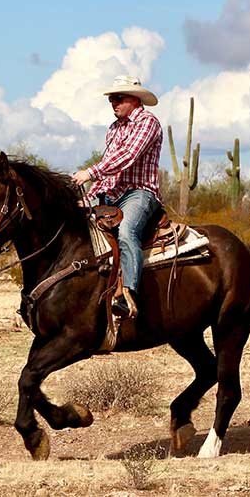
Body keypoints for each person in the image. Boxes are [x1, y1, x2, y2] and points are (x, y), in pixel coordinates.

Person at [72, 75, 163, 318]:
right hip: (111, 194)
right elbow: (109, 170)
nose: (113, 103)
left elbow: (128, 157)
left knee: (127, 232)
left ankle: (128, 295)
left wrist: (90, 172)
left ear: (135, 99)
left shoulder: (148, 122)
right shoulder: (113, 129)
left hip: (139, 192)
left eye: (118, 98)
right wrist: (90, 197)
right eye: (111, 99)